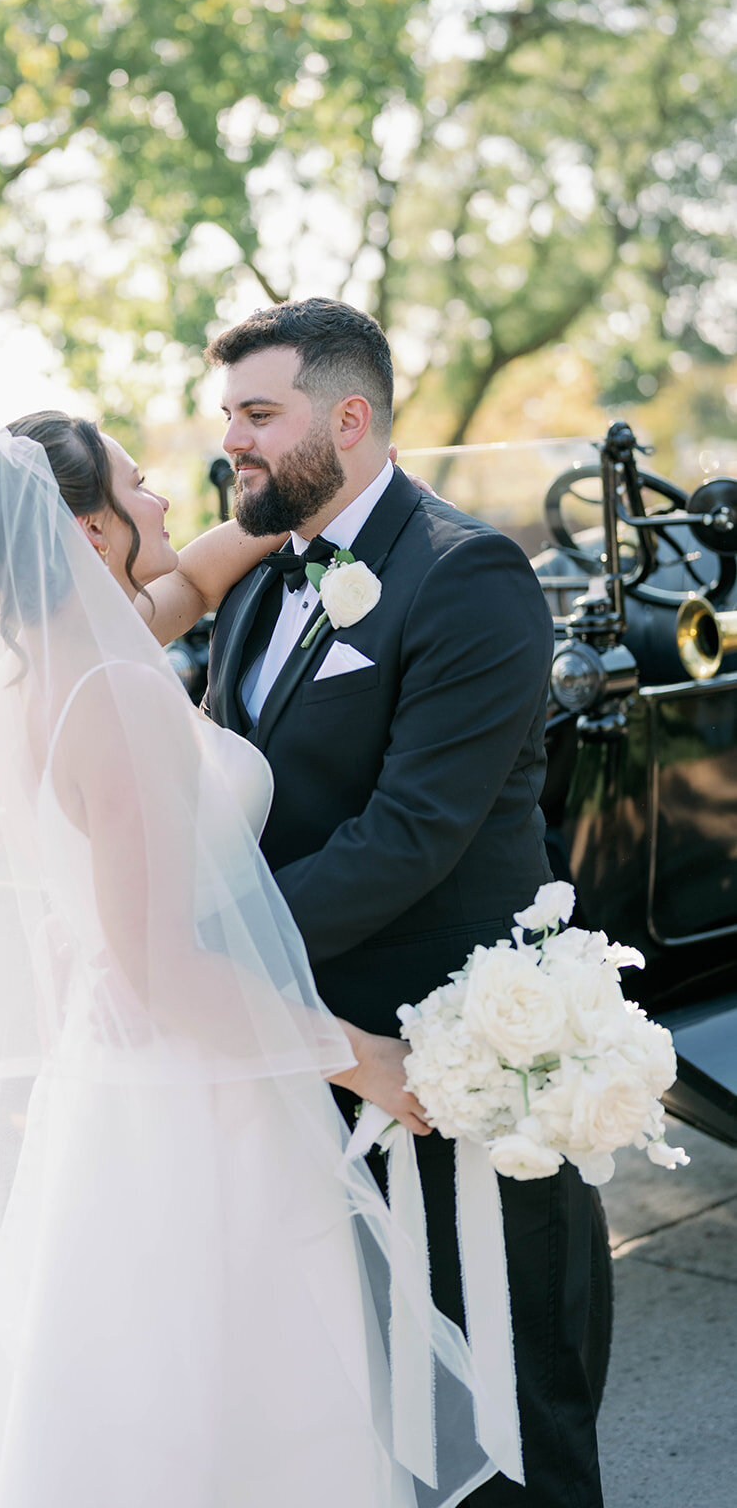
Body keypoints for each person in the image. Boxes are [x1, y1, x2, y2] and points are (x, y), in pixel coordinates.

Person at [0, 415, 518, 1506]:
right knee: (225, 1403)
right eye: (140, 486)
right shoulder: (111, 697)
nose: (166, 501)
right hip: (188, 1102)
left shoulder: (37, 668)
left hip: (113, 1089)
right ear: (87, 530)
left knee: (121, 1392)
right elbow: (163, 968)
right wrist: (365, 1061)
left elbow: (188, 578)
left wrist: (292, 511)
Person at [203, 297, 604, 1508]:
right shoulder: (265, 581)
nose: (236, 441)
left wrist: (217, 951)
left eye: (259, 414)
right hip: (311, 1064)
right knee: (359, 1400)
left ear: (351, 416)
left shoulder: (462, 572)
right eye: (228, 416)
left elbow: (412, 831)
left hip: (451, 1060)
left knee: (513, 1396)